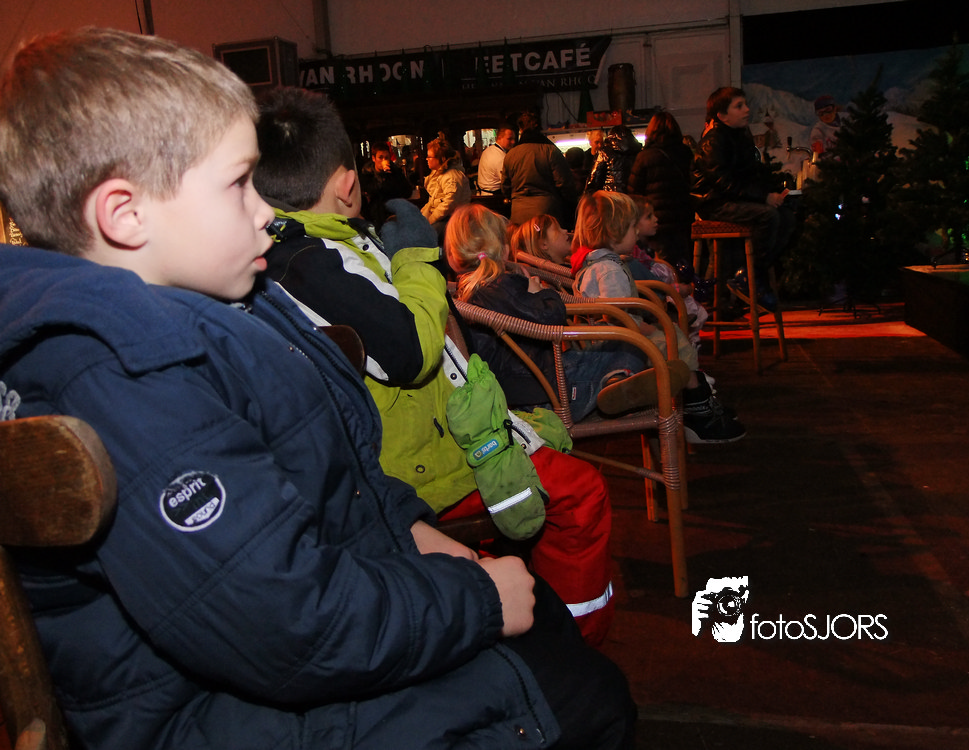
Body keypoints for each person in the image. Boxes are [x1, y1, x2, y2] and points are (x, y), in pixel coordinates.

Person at [0, 28, 635, 750]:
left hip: (308, 631)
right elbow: (281, 625)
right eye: (238, 185)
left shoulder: (227, 303)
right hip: (218, 715)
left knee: (551, 634)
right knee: (587, 699)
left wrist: (420, 537)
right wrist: (477, 602)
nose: (266, 212)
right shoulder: (124, 370)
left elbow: (342, 472)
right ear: (125, 215)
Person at [253, 85, 620, 647]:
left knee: (552, 462)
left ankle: (535, 621)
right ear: (347, 183)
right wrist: (418, 258)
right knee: (581, 492)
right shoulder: (310, 260)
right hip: (416, 470)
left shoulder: (300, 246)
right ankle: (574, 642)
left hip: (421, 444)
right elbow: (410, 352)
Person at [446, 204, 664, 421]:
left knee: (617, 346)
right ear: (504, 249)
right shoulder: (501, 287)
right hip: (549, 395)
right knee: (633, 345)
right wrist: (539, 293)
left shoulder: (468, 291)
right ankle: (616, 385)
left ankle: (614, 383)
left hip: (529, 385)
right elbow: (551, 319)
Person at [569, 191, 745, 444]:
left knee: (671, 337)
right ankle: (699, 411)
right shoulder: (609, 270)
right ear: (615, 233)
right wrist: (649, 329)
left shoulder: (594, 263)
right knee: (674, 342)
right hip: (618, 341)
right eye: (632, 227)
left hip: (607, 341)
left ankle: (695, 396)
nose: (636, 233)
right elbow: (616, 314)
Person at [690, 86, 796, 311]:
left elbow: (751, 175)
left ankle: (749, 273)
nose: (747, 109)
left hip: (730, 199)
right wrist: (764, 197)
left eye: (745, 104)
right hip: (714, 203)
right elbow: (724, 183)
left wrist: (775, 192)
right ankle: (749, 276)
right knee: (768, 216)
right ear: (722, 115)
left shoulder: (739, 136)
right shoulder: (714, 140)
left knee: (786, 216)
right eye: (739, 106)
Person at [627, 196, 708, 352]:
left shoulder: (640, 249)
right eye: (649, 216)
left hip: (655, 296)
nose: (656, 219)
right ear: (633, 223)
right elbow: (649, 283)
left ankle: (687, 342)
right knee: (684, 309)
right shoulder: (630, 256)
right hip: (651, 301)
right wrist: (674, 289)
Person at [627, 110, 696, 265]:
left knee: (661, 264)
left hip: (656, 220)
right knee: (684, 262)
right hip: (682, 218)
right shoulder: (685, 153)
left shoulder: (644, 157)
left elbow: (634, 191)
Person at [502, 111, 578, 226]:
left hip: (519, 212)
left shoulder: (511, 154)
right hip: (546, 212)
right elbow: (564, 184)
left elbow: (505, 187)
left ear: (521, 129)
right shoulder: (550, 151)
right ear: (538, 127)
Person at [421, 136, 471, 239]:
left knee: (427, 235)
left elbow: (449, 204)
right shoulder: (439, 174)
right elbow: (433, 200)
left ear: (441, 158)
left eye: (430, 157)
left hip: (453, 219)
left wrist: (431, 219)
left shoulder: (451, 176)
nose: (427, 159)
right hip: (444, 218)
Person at [360, 140, 412, 229]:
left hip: (393, 216)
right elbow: (371, 191)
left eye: (386, 157)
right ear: (374, 158)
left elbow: (407, 192)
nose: (383, 160)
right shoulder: (367, 173)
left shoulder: (396, 172)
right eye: (380, 157)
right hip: (373, 218)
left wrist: (391, 176)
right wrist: (383, 178)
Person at [584, 124, 642, 194]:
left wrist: (588, 194)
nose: (600, 145)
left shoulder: (604, 152)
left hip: (611, 196)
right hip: (633, 195)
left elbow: (594, 178)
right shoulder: (639, 152)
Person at [476, 124, 516, 194]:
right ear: (500, 138)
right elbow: (507, 182)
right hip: (494, 196)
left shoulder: (488, 150)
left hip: (484, 194)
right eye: (509, 139)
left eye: (513, 139)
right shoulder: (500, 157)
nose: (513, 142)